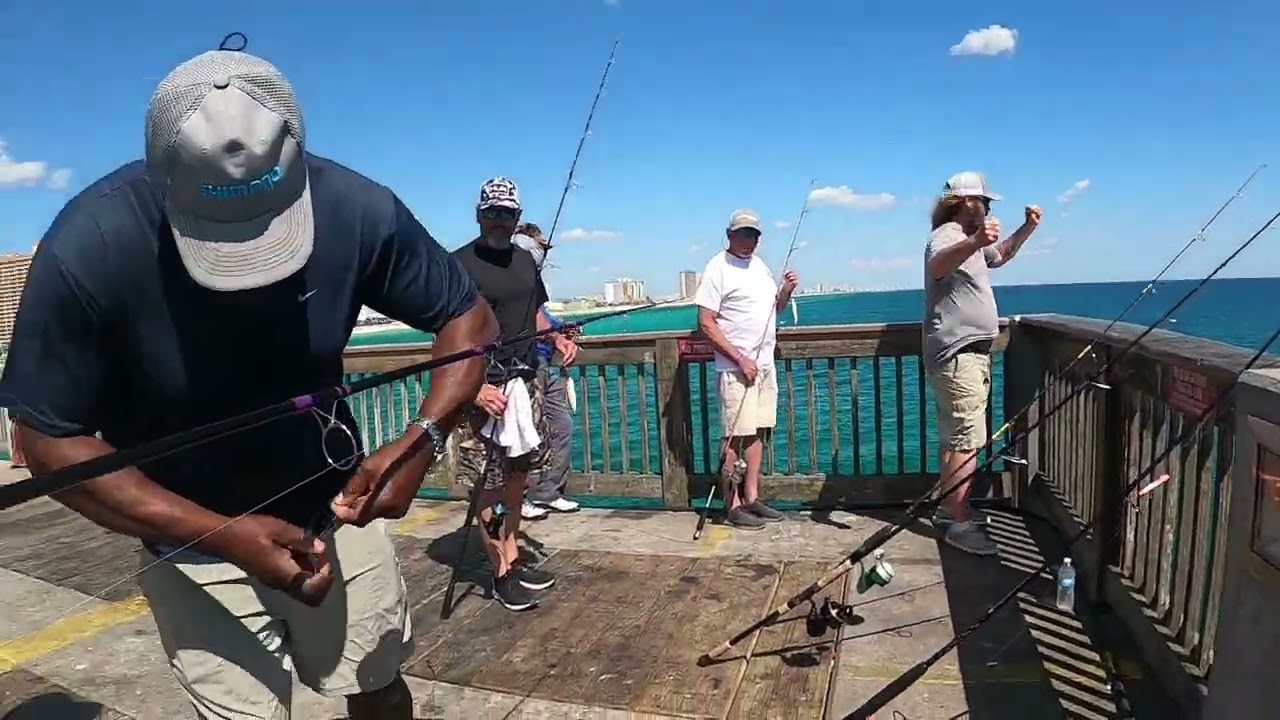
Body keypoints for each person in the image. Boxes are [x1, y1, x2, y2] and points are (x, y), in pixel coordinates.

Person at [0, 48, 497, 720]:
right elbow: (45, 437)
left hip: (336, 509)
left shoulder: (357, 207)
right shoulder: (89, 244)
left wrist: (423, 438)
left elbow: (467, 316)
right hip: (185, 541)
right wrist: (222, 534)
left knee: (377, 682)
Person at [451, 178, 580, 611]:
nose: (500, 221)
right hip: (482, 389)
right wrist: (474, 388)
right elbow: (445, 337)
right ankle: (500, 570)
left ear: (517, 218)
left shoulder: (526, 261)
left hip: (526, 381)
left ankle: (512, 551)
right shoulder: (458, 265)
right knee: (485, 485)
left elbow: (536, 313)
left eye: (508, 214)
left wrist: (559, 338)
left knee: (518, 474)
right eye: (492, 212)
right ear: (478, 213)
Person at [923, 171, 1041, 556]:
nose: (988, 208)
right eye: (985, 202)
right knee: (965, 442)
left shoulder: (967, 241)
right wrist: (976, 238)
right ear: (967, 202)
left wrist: (1027, 228)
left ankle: (949, 511)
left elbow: (1000, 256)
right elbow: (937, 266)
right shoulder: (947, 235)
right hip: (959, 356)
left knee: (956, 440)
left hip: (965, 355)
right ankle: (959, 524)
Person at [694, 209, 798, 530]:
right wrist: (739, 358)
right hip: (735, 368)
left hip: (764, 365)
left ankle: (752, 496)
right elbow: (705, 322)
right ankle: (732, 503)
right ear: (729, 235)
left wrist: (785, 293)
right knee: (733, 437)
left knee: (757, 434)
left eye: (753, 234)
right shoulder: (717, 268)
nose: (747, 240)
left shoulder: (761, 267)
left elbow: (772, 311)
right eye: (741, 234)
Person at [513, 222, 580, 515]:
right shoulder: (518, 279)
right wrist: (557, 337)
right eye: (541, 249)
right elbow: (534, 320)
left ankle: (548, 491)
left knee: (561, 425)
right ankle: (520, 497)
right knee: (529, 431)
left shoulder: (534, 283)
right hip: (525, 365)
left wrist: (561, 333)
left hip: (544, 363)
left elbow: (542, 318)